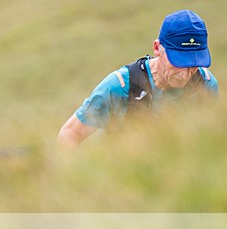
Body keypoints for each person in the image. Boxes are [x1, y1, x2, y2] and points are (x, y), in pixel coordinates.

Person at [58, 9, 218, 146]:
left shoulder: (206, 85)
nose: (185, 74)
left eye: (193, 65)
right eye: (178, 62)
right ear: (157, 48)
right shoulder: (119, 86)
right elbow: (68, 136)